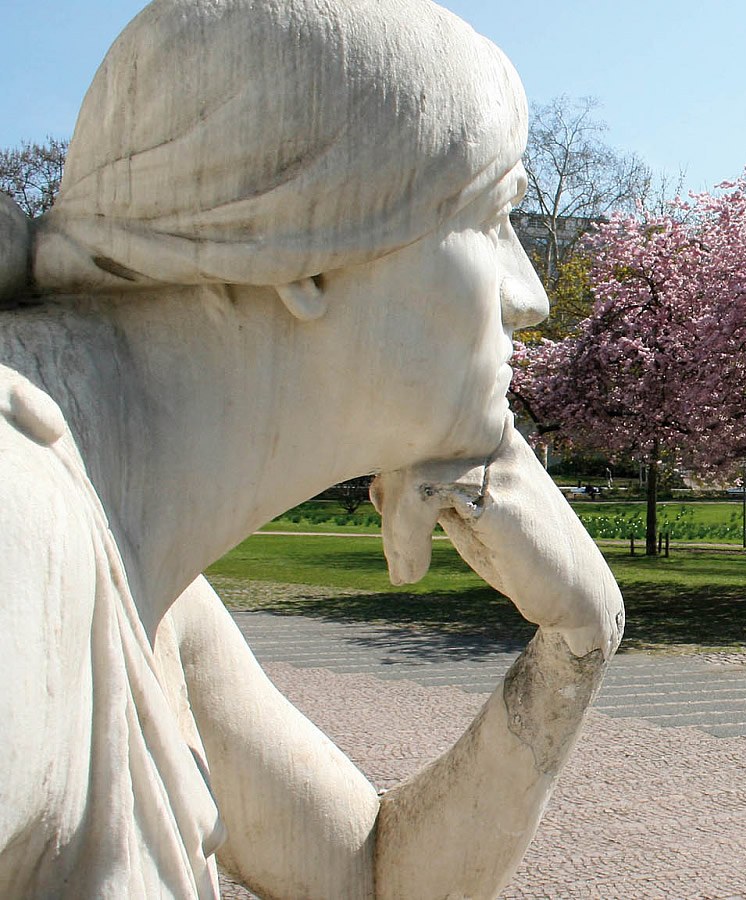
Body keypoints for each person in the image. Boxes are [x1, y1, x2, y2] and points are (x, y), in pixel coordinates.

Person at [0, 1, 621, 896]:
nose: (531, 299)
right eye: (491, 218)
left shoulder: (147, 578)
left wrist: (582, 634)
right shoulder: (23, 538)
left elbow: (373, 874)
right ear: (302, 258)